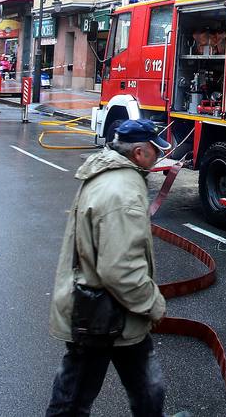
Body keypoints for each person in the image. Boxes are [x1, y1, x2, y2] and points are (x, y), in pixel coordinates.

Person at [47, 118, 171, 416]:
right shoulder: (123, 193)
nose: (160, 157)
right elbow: (121, 270)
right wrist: (153, 304)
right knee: (74, 400)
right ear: (139, 152)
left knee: (144, 389)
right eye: (156, 150)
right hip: (103, 316)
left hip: (103, 312)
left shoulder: (106, 172)